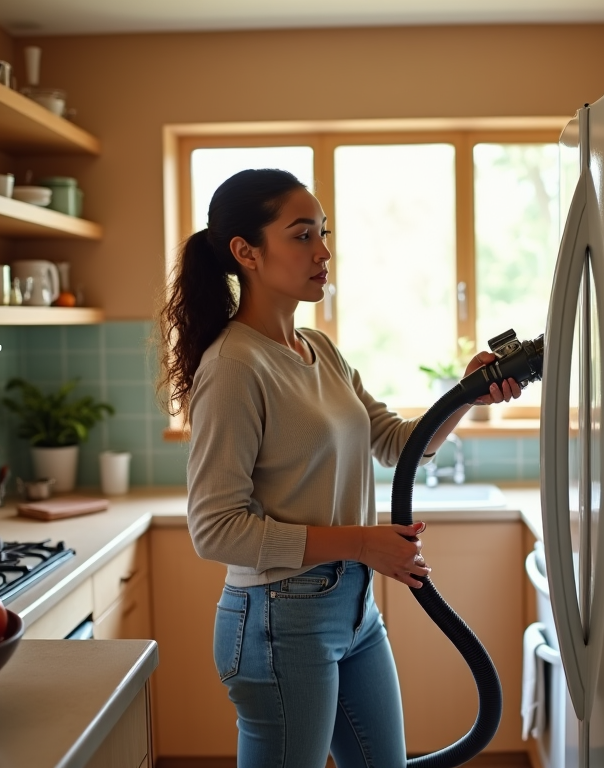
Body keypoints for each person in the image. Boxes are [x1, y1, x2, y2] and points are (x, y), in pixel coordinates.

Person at [156, 168, 522, 768]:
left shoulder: (318, 348)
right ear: (246, 252)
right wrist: (363, 543)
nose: (323, 251)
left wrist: (466, 394)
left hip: (353, 609)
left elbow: (396, 444)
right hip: (279, 619)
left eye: (323, 233)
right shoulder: (234, 368)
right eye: (302, 235)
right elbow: (216, 529)